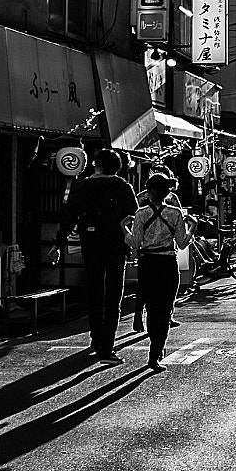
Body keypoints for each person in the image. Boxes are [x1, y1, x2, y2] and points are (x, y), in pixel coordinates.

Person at [60, 150, 138, 362]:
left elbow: (70, 214)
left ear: (98, 165)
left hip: (91, 245)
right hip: (116, 247)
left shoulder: (82, 186)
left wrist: (60, 240)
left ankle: (96, 338)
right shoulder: (123, 187)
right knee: (114, 297)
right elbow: (134, 216)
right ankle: (107, 347)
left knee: (94, 293)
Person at [125, 172, 194, 370]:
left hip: (147, 264)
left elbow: (135, 243)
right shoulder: (175, 213)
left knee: (152, 306)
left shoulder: (140, 214)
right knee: (165, 309)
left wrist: (124, 229)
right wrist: (192, 228)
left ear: (150, 192)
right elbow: (182, 243)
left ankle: (154, 343)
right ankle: (155, 352)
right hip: (167, 263)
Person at [133, 186, 185, 334]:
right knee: (167, 294)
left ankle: (140, 316)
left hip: (146, 256)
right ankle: (166, 320)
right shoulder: (173, 202)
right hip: (167, 256)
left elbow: (135, 232)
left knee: (145, 291)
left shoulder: (141, 200)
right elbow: (180, 234)